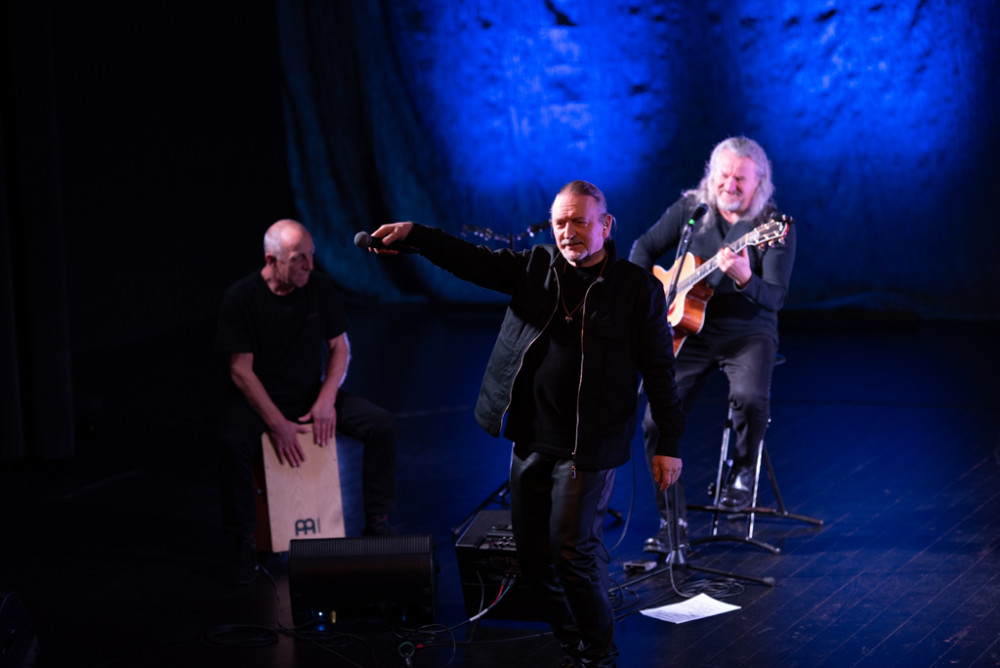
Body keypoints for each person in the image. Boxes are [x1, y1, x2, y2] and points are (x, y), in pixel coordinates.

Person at [369, 181, 685, 668]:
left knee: (573, 554)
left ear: (605, 225)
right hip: (531, 439)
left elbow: (661, 373)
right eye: (559, 222)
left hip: (588, 446)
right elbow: (470, 260)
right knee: (535, 560)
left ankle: (600, 657)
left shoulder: (636, 289)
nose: (567, 231)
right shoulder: (537, 267)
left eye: (579, 221)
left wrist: (669, 443)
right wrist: (416, 234)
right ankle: (574, 646)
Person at [629, 136, 796, 556]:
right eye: (723, 175)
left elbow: (776, 297)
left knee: (750, 398)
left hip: (749, 330)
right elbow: (644, 247)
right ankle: (673, 523)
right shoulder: (693, 209)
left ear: (759, 183)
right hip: (689, 330)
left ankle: (741, 473)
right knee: (655, 420)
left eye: (741, 179)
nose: (729, 185)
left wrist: (745, 278)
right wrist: (649, 296)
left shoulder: (773, 226)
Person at [215, 219, 397, 585]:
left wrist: (326, 400)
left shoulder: (319, 287)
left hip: (309, 393)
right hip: (261, 398)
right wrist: (277, 423)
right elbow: (240, 371)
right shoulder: (241, 298)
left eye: (311, 255)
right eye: (298, 258)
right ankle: (244, 543)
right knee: (232, 442)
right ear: (272, 260)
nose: (309, 265)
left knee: (381, 425)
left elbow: (340, 348)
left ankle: (376, 526)